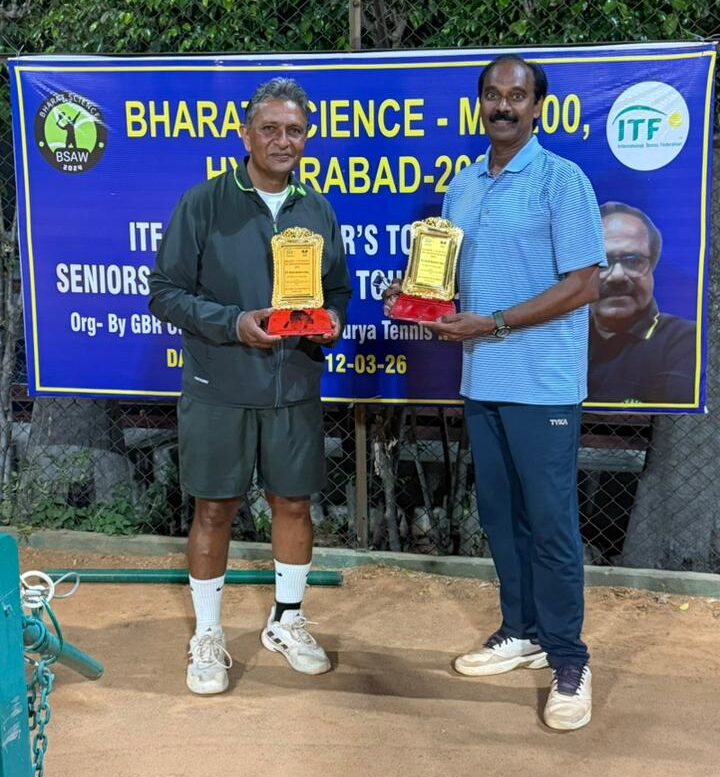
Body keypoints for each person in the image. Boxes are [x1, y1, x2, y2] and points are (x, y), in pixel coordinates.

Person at [385, 55, 605, 730]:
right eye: (492, 94)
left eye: (516, 95)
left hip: (543, 383)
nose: (503, 105)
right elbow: (459, 284)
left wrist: (497, 323)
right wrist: (416, 298)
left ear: (537, 107)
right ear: (479, 103)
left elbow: (584, 284)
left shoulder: (562, 180)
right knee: (502, 516)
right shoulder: (464, 186)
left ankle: (569, 660)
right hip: (482, 378)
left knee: (552, 524)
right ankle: (522, 630)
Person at [148, 77, 352, 695]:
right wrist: (233, 323)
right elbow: (165, 293)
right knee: (214, 508)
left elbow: (337, 290)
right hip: (220, 385)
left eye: (295, 130)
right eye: (270, 129)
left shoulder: (317, 209)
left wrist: (332, 321)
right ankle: (208, 634)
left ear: (307, 138)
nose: (283, 141)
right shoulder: (204, 203)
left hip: (294, 387)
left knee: (294, 504)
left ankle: (286, 622)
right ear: (245, 136)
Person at [589, 202, 697, 404]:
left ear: (653, 266)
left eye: (633, 261)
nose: (617, 276)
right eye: (602, 262)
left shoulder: (686, 340)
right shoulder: (566, 339)